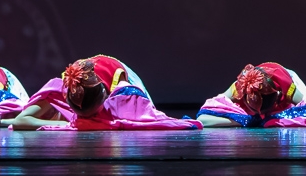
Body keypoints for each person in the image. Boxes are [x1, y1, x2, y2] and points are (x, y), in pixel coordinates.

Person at [11, 55, 201, 131]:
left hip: (120, 79)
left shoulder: (125, 93)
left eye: (93, 114)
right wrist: (69, 125)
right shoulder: (65, 89)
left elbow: (148, 121)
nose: (87, 120)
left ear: (105, 99)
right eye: (82, 115)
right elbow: (20, 121)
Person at [196, 62, 306, 128]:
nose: (262, 115)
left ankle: (263, 115)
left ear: (277, 97)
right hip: (251, 108)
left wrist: (279, 117)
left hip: (287, 79)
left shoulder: (287, 87)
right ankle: (253, 117)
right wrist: (244, 120)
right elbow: (203, 117)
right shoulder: (240, 86)